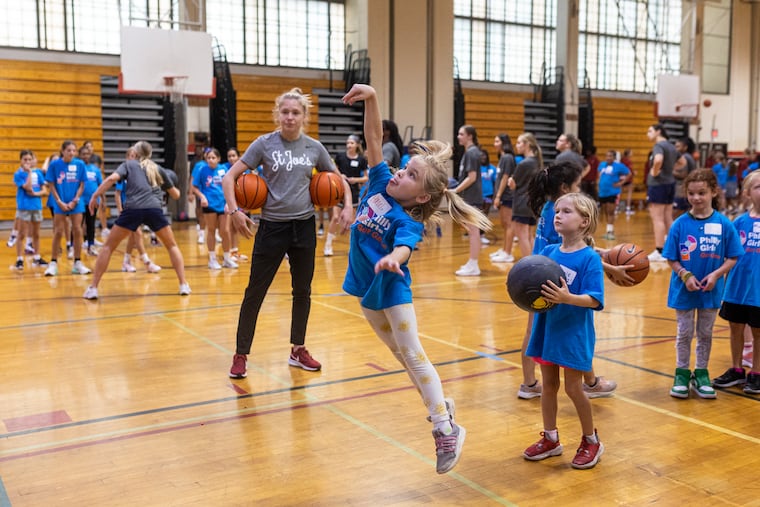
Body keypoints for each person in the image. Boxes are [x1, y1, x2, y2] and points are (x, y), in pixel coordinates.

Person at [342, 83, 491, 474]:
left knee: (414, 354)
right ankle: (444, 407)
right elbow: (374, 137)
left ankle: (445, 429)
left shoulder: (406, 220)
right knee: (401, 359)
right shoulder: (378, 184)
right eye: (402, 168)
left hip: (393, 291)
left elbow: (406, 248)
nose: (398, 173)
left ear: (422, 197)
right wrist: (373, 96)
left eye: (409, 175)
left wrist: (393, 256)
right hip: (367, 292)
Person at [223, 87, 353, 379]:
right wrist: (234, 211)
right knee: (255, 291)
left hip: (304, 227)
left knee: (303, 291)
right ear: (277, 114)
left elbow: (338, 179)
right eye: (285, 112)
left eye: (295, 113)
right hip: (272, 227)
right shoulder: (264, 144)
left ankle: (298, 349)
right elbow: (229, 177)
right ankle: (241, 354)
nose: (290, 117)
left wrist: (347, 206)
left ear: (304, 116)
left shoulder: (314, 148)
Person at [518, 162, 621, 400]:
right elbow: (573, 254)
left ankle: (530, 383)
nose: (579, 189)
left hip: (538, 276)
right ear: (565, 188)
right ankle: (588, 383)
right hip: (546, 279)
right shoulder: (562, 216)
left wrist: (603, 254)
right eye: (577, 185)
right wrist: (610, 267)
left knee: (532, 330)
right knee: (573, 332)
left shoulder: (549, 209)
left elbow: (581, 248)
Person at [522, 192, 605, 470]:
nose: (558, 215)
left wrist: (567, 298)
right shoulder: (548, 253)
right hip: (547, 329)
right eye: (557, 211)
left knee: (573, 387)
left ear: (584, 221)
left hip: (573, 333)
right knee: (549, 386)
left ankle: (591, 440)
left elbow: (594, 299)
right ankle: (551, 438)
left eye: (566, 211)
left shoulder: (589, 259)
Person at [662, 169, 743, 399]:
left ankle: (701, 373)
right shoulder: (679, 224)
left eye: (702, 193)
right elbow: (671, 257)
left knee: (706, 333)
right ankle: (681, 373)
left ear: (713, 192)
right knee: (684, 333)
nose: (696, 198)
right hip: (683, 290)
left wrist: (716, 274)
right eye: (691, 193)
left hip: (711, 290)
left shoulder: (724, 224)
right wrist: (685, 275)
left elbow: (734, 256)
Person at [82, 141, 190, 299]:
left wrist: (95, 195)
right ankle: (183, 285)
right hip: (154, 209)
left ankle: (93, 288)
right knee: (172, 245)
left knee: (108, 247)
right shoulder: (156, 168)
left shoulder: (129, 164)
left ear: (136, 153)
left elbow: (112, 179)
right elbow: (176, 195)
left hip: (133, 209)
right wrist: (170, 184)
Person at [712, 170, 760, 394]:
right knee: (735, 329)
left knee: (758, 332)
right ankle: (736, 369)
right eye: (758, 187)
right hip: (736, 289)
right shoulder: (738, 223)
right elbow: (726, 254)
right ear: (748, 193)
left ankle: (757, 372)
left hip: (758, 291)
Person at [43, 140, 91, 277]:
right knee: (58, 231)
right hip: (59, 202)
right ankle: (53, 263)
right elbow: (51, 185)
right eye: (68, 150)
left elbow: (82, 184)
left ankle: (77, 262)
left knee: (77, 230)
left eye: (73, 150)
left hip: (76, 202)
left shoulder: (80, 164)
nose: (71, 153)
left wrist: (75, 200)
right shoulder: (55, 165)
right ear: (63, 151)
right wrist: (59, 201)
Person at [192, 147, 237, 270]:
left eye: (213, 158)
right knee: (211, 230)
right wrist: (202, 197)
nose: (210, 160)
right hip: (209, 204)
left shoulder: (224, 169)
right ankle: (212, 259)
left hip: (222, 204)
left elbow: (230, 186)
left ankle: (227, 258)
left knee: (225, 231)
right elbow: (194, 187)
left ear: (218, 159)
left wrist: (229, 202)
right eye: (208, 158)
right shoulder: (202, 170)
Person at [646, 123, 685, 262]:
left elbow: (658, 160)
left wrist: (655, 172)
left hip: (658, 184)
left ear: (658, 132)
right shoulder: (671, 146)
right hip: (670, 183)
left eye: (650, 131)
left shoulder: (659, 146)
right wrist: (670, 170)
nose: (647, 134)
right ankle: (675, 248)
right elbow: (683, 162)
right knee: (668, 217)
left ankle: (660, 250)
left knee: (657, 218)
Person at [324, 134, 368, 256]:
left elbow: (366, 177)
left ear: (357, 145)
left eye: (352, 143)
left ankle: (353, 247)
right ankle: (328, 245)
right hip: (339, 191)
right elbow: (332, 172)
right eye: (347, 143)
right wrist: (340, 176)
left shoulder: (361, 160)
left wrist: (355, 179)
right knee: (335, 217)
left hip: (353, 192)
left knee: (351, 221)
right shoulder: (340, 156)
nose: (349, 145)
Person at [453, 125, 485, 276]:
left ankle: (473, 264)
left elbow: (471, 177)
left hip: (472, 197)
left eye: (461, 134)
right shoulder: (470, 153)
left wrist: (455, 190)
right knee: (473, 232)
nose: (458, 136)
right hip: (470, 197)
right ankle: (472, 263)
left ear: (470, 136)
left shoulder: (472, 153)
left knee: (473, 232)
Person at [508, 133, 543, 259]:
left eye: (519, 143)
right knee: (529, 235)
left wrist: (510, 180)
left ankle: (529, 265)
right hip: (533, 202)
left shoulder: (524, 164)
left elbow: (513, 184)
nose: (516, 146)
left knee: (522, 235)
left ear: (527, 144)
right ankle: (536, 261)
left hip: (522, 202)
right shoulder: (537, 162)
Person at [13, 150, 49, 270]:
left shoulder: (38, 173)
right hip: (24, 207)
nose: (28, 162)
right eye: (25, 160)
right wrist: (29, 173)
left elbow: (45, 190)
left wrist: (36, 193)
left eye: (29, 159)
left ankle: (37, 257)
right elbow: (27, 187)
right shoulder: (18, 174)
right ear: (21, 161)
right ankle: (19, 259)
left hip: (36, 206)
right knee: (22, 234)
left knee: (36, 234)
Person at [491, 133, 517, 263]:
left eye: (497, 141)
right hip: (503, 196)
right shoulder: (502, 158)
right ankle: (504, 249)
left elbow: (505, 178)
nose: (494, 144)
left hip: (507, 196)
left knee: (508, 224)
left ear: (503, 143)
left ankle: (508, 252)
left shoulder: (507, 157)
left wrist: (498, 196)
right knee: (504, 224)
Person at [597, 150, 630, 240]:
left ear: (614, 157)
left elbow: (629, 173)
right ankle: (608, 230)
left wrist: (620, 183)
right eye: (607, 156)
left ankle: (610, 231)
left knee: (611, 211)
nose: (608, 158)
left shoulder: (619, 166)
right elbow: (599, 175)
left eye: (610, 156)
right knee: (605, 212)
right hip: (602, 192)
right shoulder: (602, 165)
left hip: (613, 192)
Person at [673, 137, 697, 219]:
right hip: (686, 189)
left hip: (681, 189)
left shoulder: (685, 157)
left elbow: (683, 174)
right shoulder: (689, 156)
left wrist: (669, 171)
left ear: (685, 147)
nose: (675, 149)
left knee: (676, 213)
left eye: (678, 146)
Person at [620, 148, 636, 216]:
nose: (632, 154)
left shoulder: (621, 160)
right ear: (628, 153)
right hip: (628, 179)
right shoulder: (628, 161)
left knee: (619, 194)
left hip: (620, 178)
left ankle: (617, 208)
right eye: (631, 152)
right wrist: (633, 173)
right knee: (629, 194)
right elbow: (630, 171)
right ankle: (628, 209)